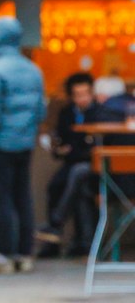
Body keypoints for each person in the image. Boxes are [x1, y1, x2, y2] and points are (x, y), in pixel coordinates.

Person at [0, 16, 47, 274]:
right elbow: (41, 109)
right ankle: (25, 252)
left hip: (0, 144)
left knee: (2, 199)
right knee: (23, 197)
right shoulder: (33, 69)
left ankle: (4, 253)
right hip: (24, 143)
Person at [35, 72, 104, 258]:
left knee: (79, 182)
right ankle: (54, 241)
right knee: (55, 186)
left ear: (92, 93)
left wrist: (71, 150)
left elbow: (93, 148)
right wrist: (59, 149)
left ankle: (58, 227)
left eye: (85, 93)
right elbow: (62, 142)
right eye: (77, 94)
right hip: (73, 163)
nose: (82, 98)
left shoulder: (99, 113)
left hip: (93, 166)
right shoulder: (67, 113)